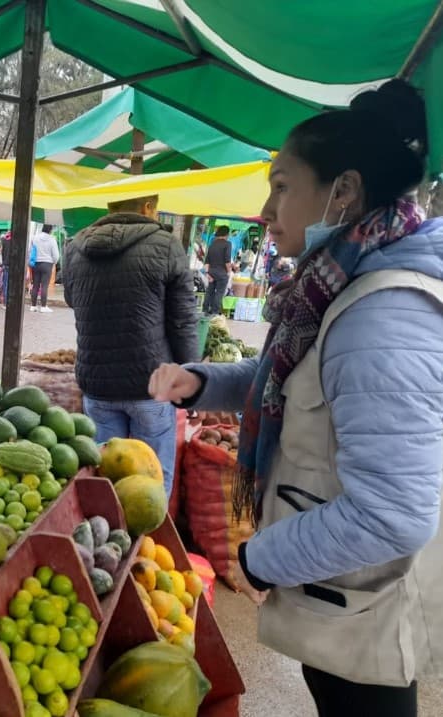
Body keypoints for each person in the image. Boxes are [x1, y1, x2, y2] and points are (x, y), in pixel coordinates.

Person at [148, 80, 442, 717]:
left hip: (365, 602)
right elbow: (293, 375)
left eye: (282, 185)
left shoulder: (384, 315)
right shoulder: (342, 280)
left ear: (345, 191)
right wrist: (202, 381)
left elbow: (396, 511)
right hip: (341, 593)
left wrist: (261, 559)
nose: (264, 208)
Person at [63, 194, 198, 497]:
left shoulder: (74, 248)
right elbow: (184, 321)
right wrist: (194, 381)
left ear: (110, 206)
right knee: (150, 488)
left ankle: (115, 543)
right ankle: (149, 543)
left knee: (105, 482)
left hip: (97, 385)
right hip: (150, 385)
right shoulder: (166, 245)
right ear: (149, 208)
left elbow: (74, 300)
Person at [203, 225, 233, 314]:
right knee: (219, 293)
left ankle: (205, 310)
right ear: (227, 234)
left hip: (211, 272)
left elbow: (207, 260)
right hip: (221, 273)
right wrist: (229, 272)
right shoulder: (227, 244)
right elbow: (227, 260)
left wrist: (207, 273)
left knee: (209, 292)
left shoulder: (212, 244)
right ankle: (214, 312)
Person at [30, 224, 60, 313]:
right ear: (50, 230)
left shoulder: (35, 238)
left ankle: (33, 306)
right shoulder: (52, 239)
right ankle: (43, 306)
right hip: (47, 264)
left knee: (35, 285)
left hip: (36, 263)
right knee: (44, 286)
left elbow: (30, 250)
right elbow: (56, 255)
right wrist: (54, 262)